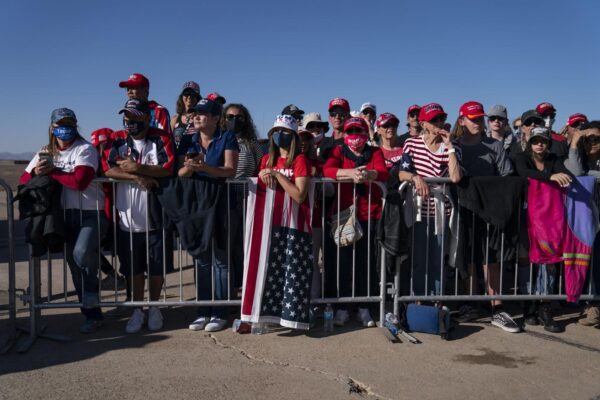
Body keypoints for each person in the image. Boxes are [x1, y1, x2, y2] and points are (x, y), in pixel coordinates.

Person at [20, 108, 107, 333]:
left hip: (91, 213)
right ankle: (92, 315)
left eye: (69, 124)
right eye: (60, 124)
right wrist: (37, 172)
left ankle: (92, 290)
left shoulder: (85, 149)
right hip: (64, 216)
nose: (65, 128)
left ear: (76, 126)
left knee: (81, 253)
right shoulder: (45, 151)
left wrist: (52, 172)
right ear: (52, 128)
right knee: (74, 265)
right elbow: (24, 178)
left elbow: (80, 181)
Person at [105, 98, 175, 334]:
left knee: (156, 268)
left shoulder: (161, 138)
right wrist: (136, 177)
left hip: (157, 216)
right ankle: (137, 310)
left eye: (135, 117)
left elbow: (168, 168)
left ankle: (154, 307)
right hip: (128, 217)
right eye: (126, 117)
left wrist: (138, 168)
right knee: (133, 269)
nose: (130, 122)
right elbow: (108, 168)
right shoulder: (118, 140)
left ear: (146, 117)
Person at [452, 101, 518, 333]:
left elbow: (506, 174)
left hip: (490, 211)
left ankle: (497, 307)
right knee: (469, 257)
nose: (478, 122)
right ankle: (470, 302)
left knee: (491, 258)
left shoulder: (495, 145)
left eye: (480, 118)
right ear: (462, 121)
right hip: (464, 209)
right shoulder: (455, 145)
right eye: (473, 118)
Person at [179, 99, 239, 332]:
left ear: (216, 118)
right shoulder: (188, 139)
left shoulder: (227, 137)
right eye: (196, 113)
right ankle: (203, 311)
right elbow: (180, 172)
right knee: (202, 260)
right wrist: (190, 167)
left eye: (203, 114)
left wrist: (205, 168)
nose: (197, 116)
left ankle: (220, 311)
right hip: (197, 204)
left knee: (220, 260)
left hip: (222, 203)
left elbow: (230, 170)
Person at [323, 117, 389, 327]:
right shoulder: (339, 150)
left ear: (364, 133)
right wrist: (349, 173)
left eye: (358, 131)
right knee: (342, 263)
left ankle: (363, 307)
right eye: (350, 131)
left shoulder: (374, 152)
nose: (355, 135)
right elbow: (327, 170)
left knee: (366, 263)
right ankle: (342, 307)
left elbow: (384, 172)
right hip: (344, 216)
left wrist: (370, 174)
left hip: (369, 214)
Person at [398, 103, 463, 297]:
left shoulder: (452, 147)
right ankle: (418, 301)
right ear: (424, 123)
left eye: (441, 119)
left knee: (437, 260)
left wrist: (450, 146)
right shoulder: (411, 143)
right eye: (434, 119)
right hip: (418, 210)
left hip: (442, 211)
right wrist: (415, 177)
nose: (439, 123)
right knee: (419, 260)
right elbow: (402, 173)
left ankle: (436, 302)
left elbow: (456, 177)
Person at [515, 126, 572, 333]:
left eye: (544, 141)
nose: (540, 144)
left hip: (549, 220)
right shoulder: (521, 157)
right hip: (527, 218)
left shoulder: (554, 158)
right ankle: (529, 306)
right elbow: (523, 173)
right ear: (530, 142)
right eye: (536, 140)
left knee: (550, 262)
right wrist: (550, 177)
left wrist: (554, 174)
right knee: (527, 261)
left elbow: (566, 175)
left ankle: (545, 307)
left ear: (549, 143)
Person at [221, 103, 263, 291]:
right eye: (230, 117)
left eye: (238, 117)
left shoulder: (251, 143)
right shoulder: (219, 140)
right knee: (226, 244)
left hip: (248, 197)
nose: (234, 120)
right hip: (225, 196)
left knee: (244, 244)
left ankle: (246, 288)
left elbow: (260, 167)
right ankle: (227, 289)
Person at [564, 121, 600, 327]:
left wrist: (588, 177)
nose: (592, 143)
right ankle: (591, 305)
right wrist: (576, 142)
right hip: (586, 219)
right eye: (588, 139)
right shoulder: (581, 157)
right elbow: (575, 173)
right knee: (590, 262)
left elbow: (581, 177)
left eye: (596, 138)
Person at [318, 97, 350, 162]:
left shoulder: (351, 143)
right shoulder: (324, 142)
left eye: (341, 113)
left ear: (348, 116)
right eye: (333, 114)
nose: (337, 117)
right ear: (329, 117)